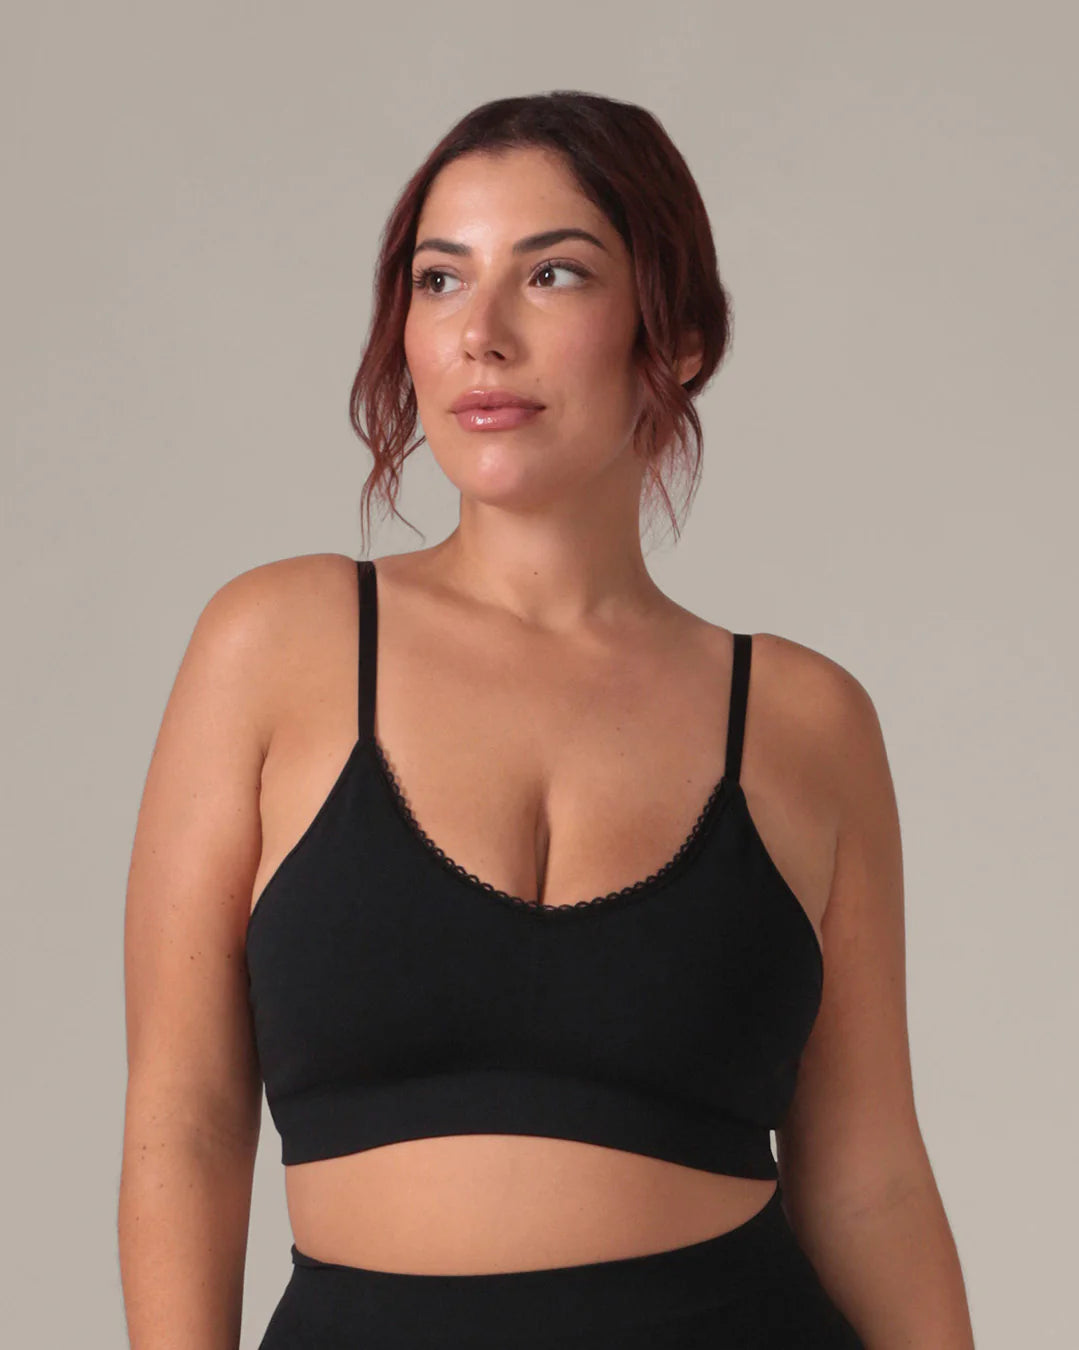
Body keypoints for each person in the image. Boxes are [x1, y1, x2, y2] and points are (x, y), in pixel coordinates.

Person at [118, 92, 975, 1349]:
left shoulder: (803, 720)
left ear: (676, 336)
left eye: (552, 273)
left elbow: (870, 1179)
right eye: (439, 280)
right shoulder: (276, 646)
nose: (481, 335)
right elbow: (183, 1118)